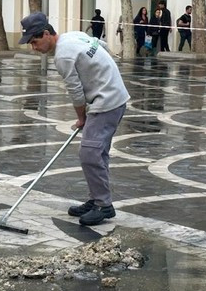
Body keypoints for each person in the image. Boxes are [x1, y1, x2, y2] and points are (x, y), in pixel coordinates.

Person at [18, 12, 130, 226]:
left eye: (35, 41)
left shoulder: (63, 56)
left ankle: (104, 206)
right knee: (97, 153)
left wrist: (81, 118)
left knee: (89, 153)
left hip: (107, 101)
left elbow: (76, 92)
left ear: (46, 33)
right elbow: (101, 44)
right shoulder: (73, 36)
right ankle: (96, 199)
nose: (34, 48)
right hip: (112, 96)